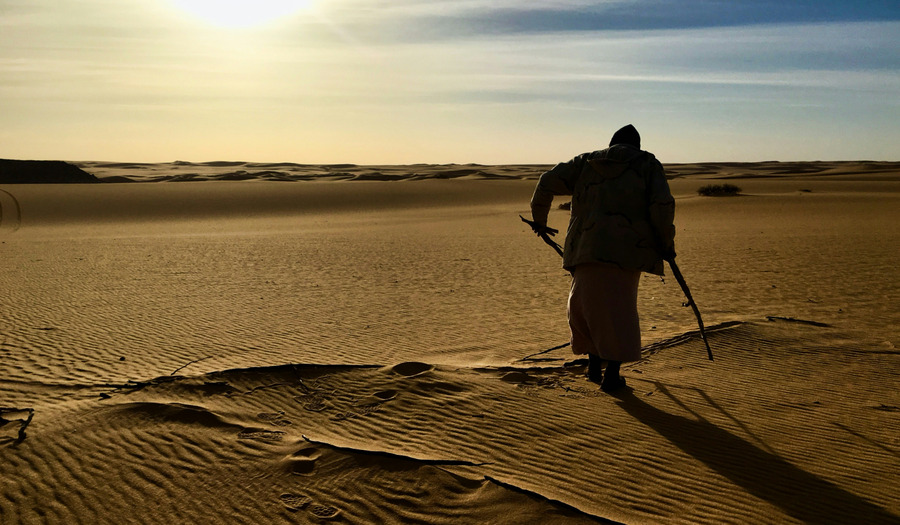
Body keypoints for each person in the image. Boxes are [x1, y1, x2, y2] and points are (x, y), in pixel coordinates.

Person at [529, 124, 675, 392]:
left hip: (584, 248)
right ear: (637, 146)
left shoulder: (586, 162)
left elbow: (546, 181)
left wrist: (540, 220)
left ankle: (595, 367)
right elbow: (662, 207)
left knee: (588, 308)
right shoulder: (647, 164)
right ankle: (611, 376)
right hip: (627, 251)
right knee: (619, 311)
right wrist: (666, 244)